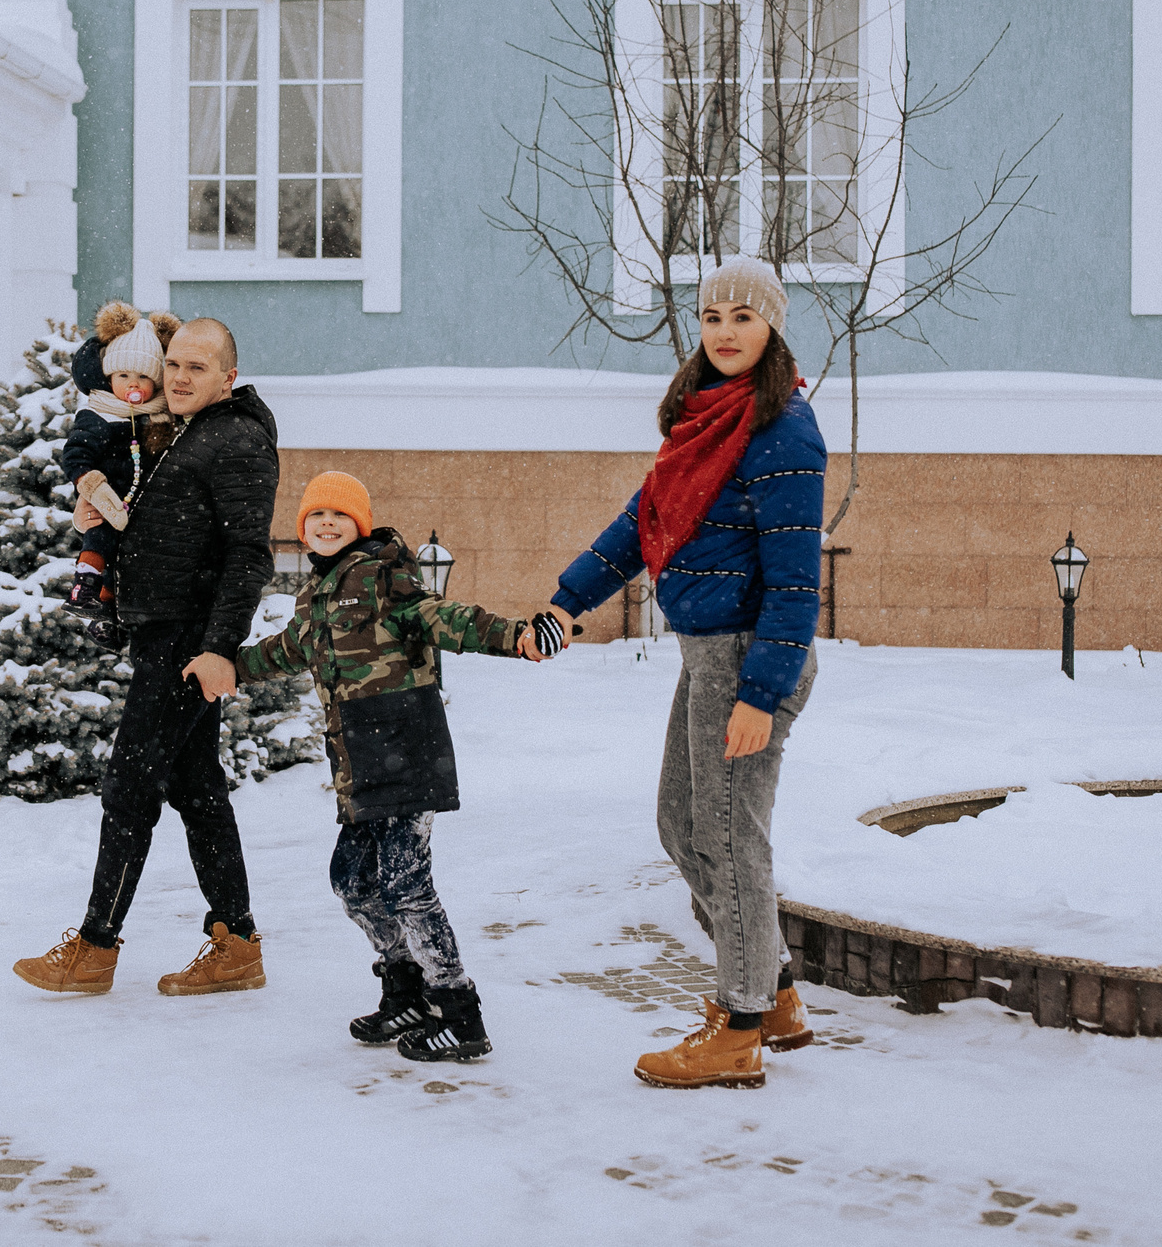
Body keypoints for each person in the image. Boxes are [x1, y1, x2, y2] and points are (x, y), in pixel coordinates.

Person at [542, 257, 826, 1091]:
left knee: (732, 839)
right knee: (680, 822)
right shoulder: (699, 420)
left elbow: (797, 581)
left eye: (744, 315)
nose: (726, 330)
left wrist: (761, 694)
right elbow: (641, 523)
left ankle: (738, 1026)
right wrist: (567, 602)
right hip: (708, 655)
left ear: (771, 326)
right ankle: (772, 992)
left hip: (747, 659)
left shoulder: (782, 429)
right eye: (713, 316)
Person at [15, 317, 280, 998]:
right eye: (174, 364)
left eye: (198, 366)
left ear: (229, 375)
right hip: (166, 634)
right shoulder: (184, 429)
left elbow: (249, 554)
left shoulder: (237, 439)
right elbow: (155, 517)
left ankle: (96, 947)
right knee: (196, 789)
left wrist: (221, 647)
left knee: (129, 785)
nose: (180, 376)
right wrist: (97, 515)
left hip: (186, 642)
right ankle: (237, 943)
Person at [237, 472, 541, 1063]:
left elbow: (447, 618)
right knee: (352, 883)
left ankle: (460, 1012)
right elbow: (285, 650)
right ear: (303, 532)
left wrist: (516, 637)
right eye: (316, 517)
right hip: (358, 762)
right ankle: (406, 989)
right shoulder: (315, 595)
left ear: (362, 525)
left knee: (406, 883)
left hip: (407, 751)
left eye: (340, 517)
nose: (327, 524)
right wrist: (229, 668)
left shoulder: (385, 576)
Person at [59, 303, 179, 646]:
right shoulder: (98, 415)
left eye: (143, 377)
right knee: (101, 539)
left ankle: (110, 619)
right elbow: (77, 452)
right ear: (109, 378)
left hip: (143, 509)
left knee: (125, 565)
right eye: (124, 376)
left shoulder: (160, 418)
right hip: (108, 499)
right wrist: (88, 481)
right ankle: (85, 583)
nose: (133, 384)